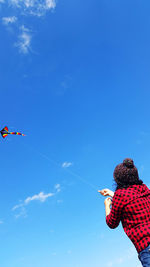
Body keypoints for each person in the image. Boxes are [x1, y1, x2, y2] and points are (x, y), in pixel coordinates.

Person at [99, 158, 150, 267]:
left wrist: (107, 206)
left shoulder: (119, 195)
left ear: (118, 180)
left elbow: (112, 223)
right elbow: (131, 199)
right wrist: (111, 193)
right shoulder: (144, 189)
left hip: (146, 246)